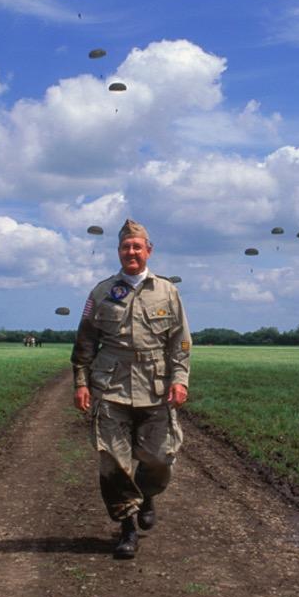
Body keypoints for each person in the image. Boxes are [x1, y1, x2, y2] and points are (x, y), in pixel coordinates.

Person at [71, 219, 191, 559]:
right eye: (126, 247)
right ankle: (127, 528)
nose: (131, 252)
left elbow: (180, 342)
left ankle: (147, 494)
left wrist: (180, 379)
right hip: (110, 387)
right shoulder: (101, 292)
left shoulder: (168, 291)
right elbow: (84, 343)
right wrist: (81, 382)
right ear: (119, 252)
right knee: (112, 462)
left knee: (157, 458)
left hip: (155, 387)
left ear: (148, 250)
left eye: (137, 246)